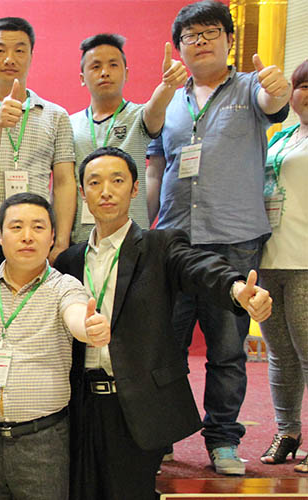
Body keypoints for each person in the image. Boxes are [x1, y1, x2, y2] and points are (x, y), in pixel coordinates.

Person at [54, 147, 273, 498]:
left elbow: (199, 267)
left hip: (137, 405)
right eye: (94, 183)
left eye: (117, 181)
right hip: (81, 406)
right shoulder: (69, 260)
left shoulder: (161, 246)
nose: (106, 191)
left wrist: (236, 289)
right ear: (82, 192)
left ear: (134, 189)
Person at [145, 0, 291, 474]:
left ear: (230, 40)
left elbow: (274, 104)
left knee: (227, 350)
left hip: (235, 242)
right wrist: (151, 227)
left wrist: (278, 89)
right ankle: (162, 435)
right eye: (191, 35)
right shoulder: (170, 99)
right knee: (166, 347)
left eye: (210, 32)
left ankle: (223, 440)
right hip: (174, 241)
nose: (201, 41)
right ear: (179, 47)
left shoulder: (251, 88)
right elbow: (156, 167)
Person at [0, 192, 110, 500]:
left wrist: (88, 328)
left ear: (53, 237)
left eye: (38, 227)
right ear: (0, 235)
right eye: (16, 227)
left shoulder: (64, 287)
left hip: (43, 440)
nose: (27, 236)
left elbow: (75, 313)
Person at [0, 17, 77, 276]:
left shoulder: (56, 115)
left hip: (34, 232)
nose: (10, 59)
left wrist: (61, 241)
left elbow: (64, 181)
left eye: (19, 51)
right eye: (0, 50)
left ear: (31, 55)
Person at [69, 33, 188, 242]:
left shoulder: (139, 116)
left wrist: (168, 86)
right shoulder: (70, 124)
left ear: (126, 73)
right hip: (82, 239)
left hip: (132, 240)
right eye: (96, 66)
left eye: (113, 65)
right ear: (82, 78)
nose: (105, 72)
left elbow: (155, 109)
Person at [256, 59, 308, 473]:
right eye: (302, 86)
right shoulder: (283, 136)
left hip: (305, 262)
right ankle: (287, 431)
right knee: (281, 354)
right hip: (270, 259)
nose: (306, 94)